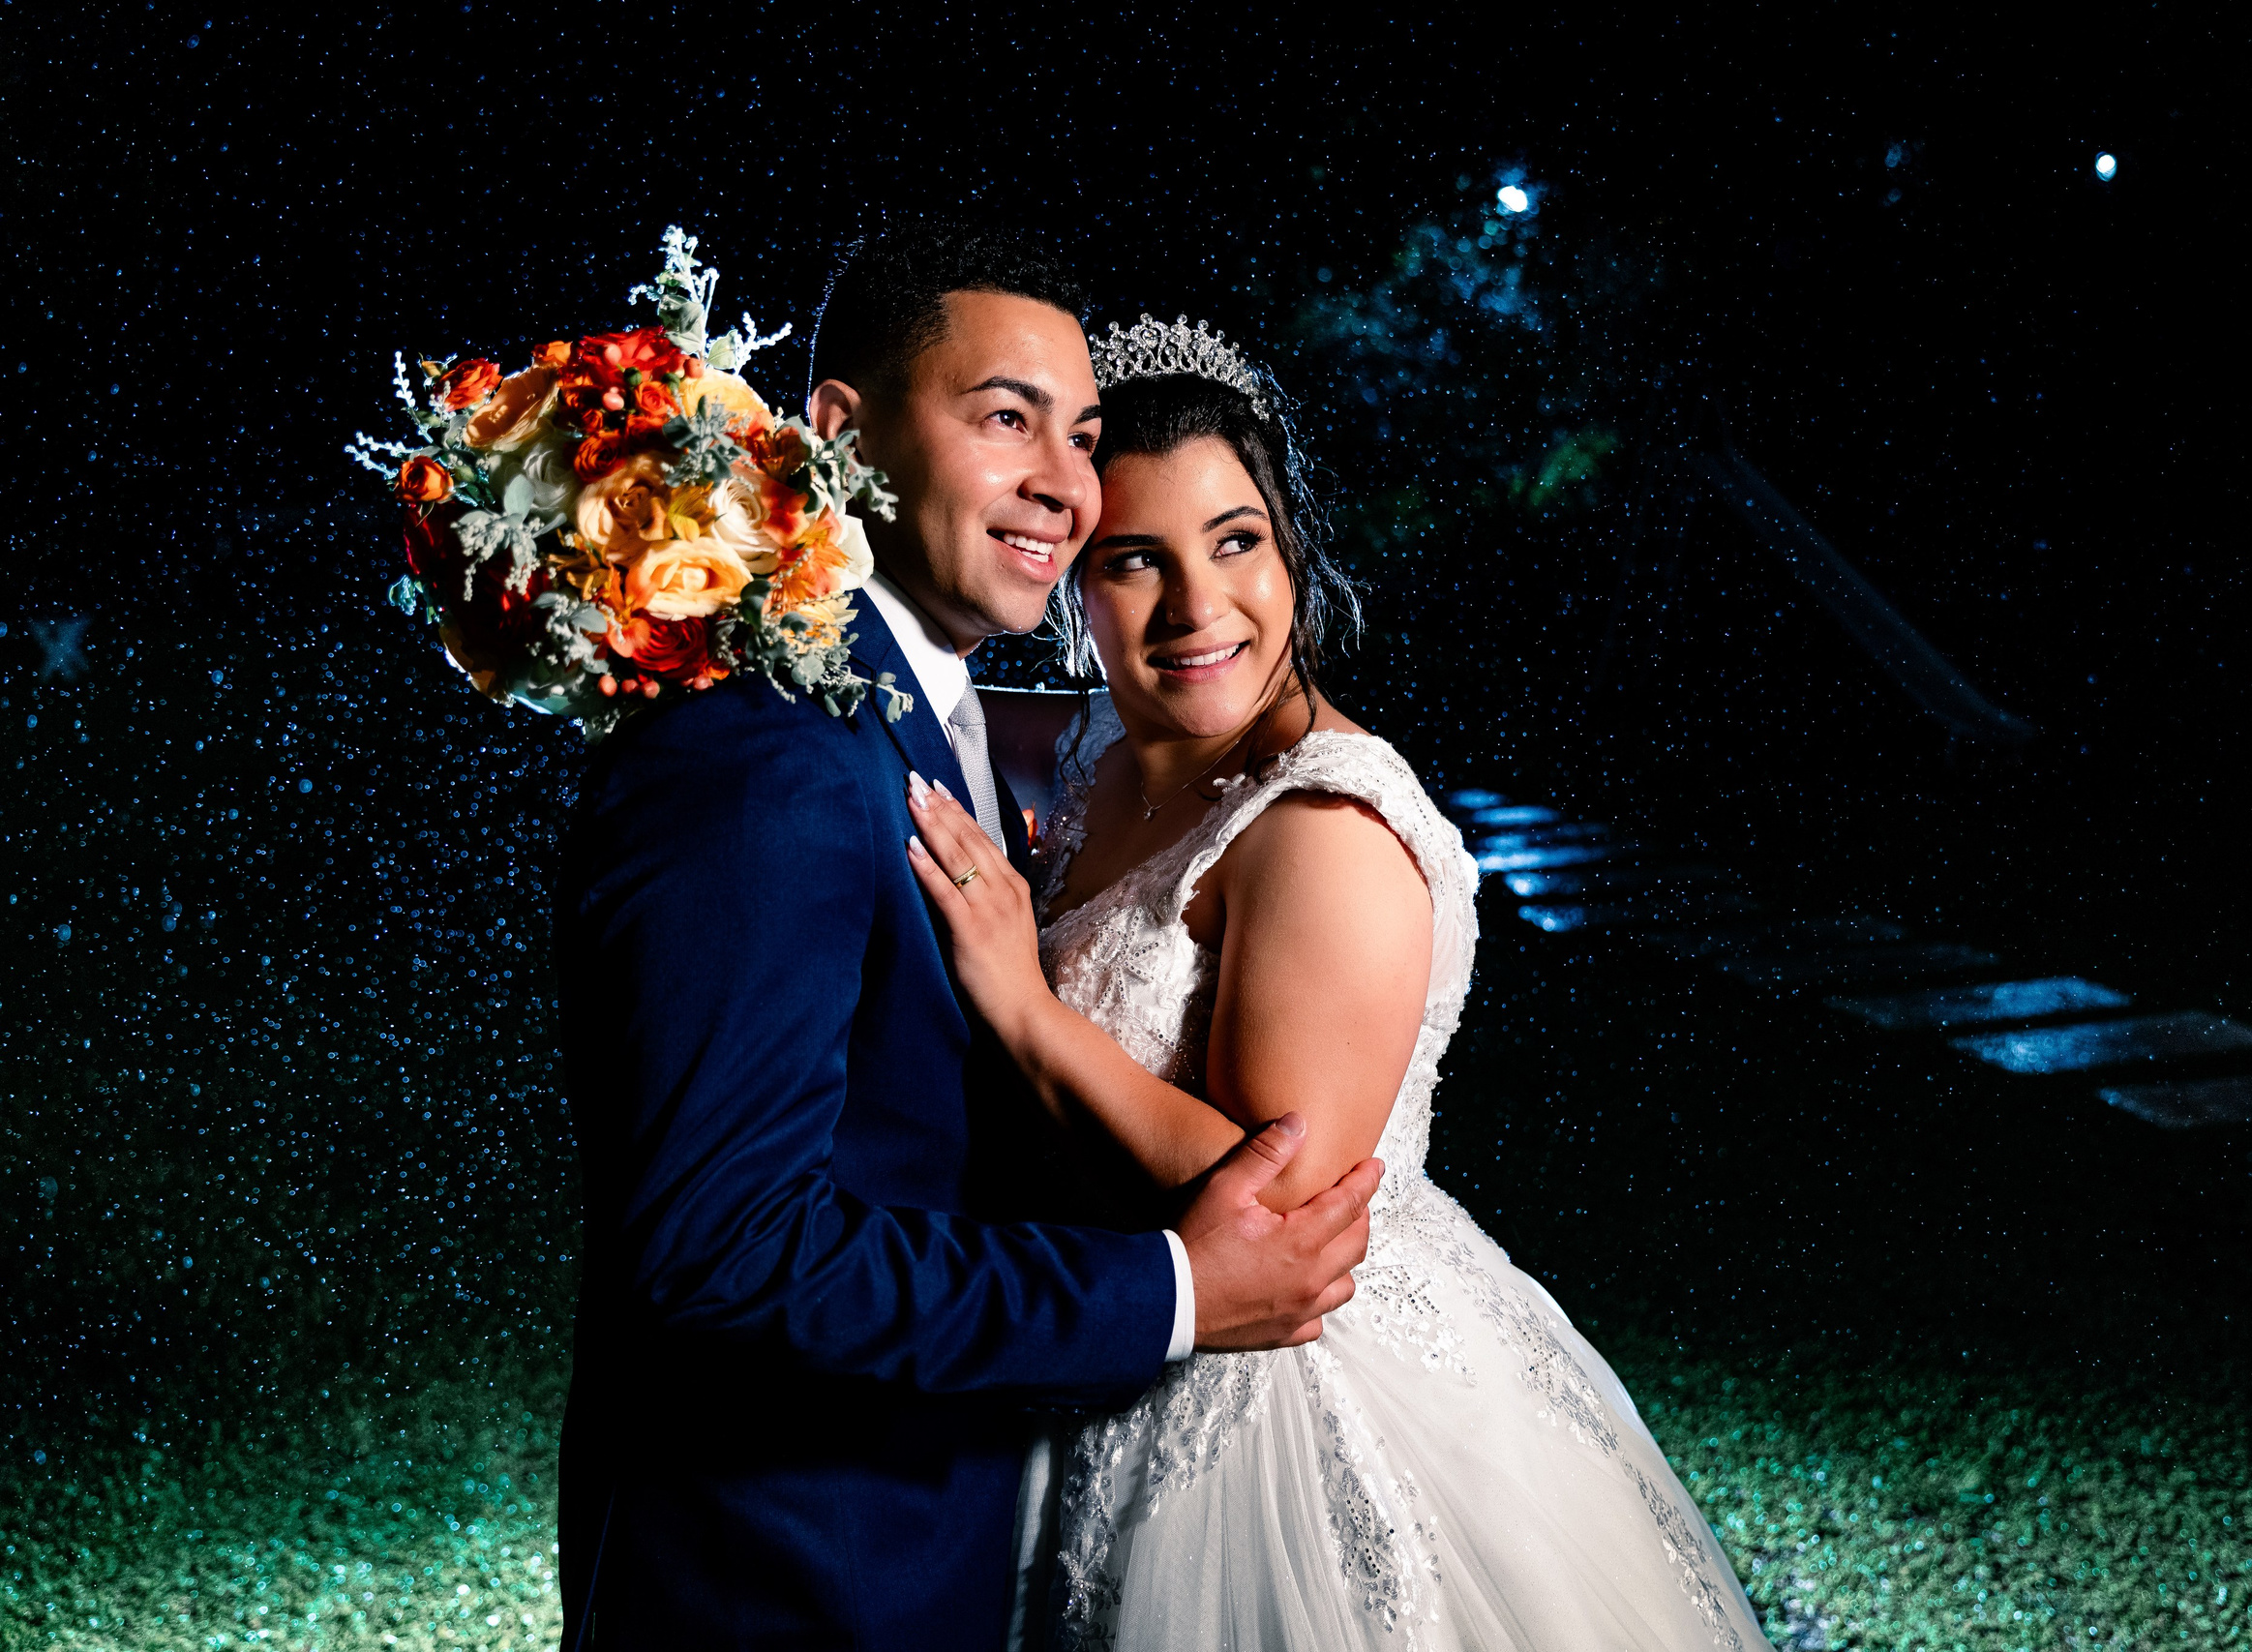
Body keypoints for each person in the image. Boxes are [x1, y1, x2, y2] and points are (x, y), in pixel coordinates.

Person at [552, 225, 1382, 1650]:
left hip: (935, 1527)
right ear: (841, 432)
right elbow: (722, 1251)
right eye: (1007, 419)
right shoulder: (766, 754)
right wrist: (1170, 1292)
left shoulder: (929, 713)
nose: (1064, 484)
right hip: (793, 1579)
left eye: (1083, 436)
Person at [903, 319, 1777, 1650]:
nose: (1198, 608)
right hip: (1107, 1345)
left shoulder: (1327, 827)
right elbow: (925, 705)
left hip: (1280, 1410)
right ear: (1073, 580)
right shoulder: (1106, 749)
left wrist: (1024, 1010)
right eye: (1136, 560)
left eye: (1236, 541)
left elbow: (1285, 1210)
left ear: (1293, 550)